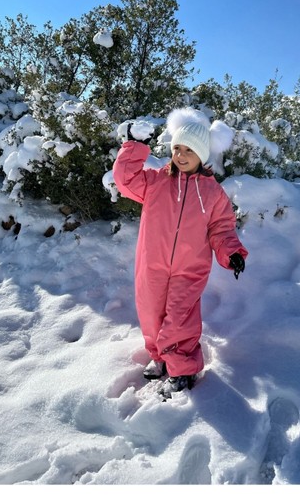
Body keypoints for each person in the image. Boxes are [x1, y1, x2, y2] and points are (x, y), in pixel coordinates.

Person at [112, 107, 248, 399]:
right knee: (152, 315)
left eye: (189, 150)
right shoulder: (154, 182)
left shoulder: (213, 193)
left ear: (202, 155)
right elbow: (124, 180)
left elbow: (222, 229)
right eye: (177, 148)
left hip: (190, 269)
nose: (182, 155)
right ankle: (159, 355)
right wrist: (134, 145)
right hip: (152, 264)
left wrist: (232, 252)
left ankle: (183, 367)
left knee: (180, 318)